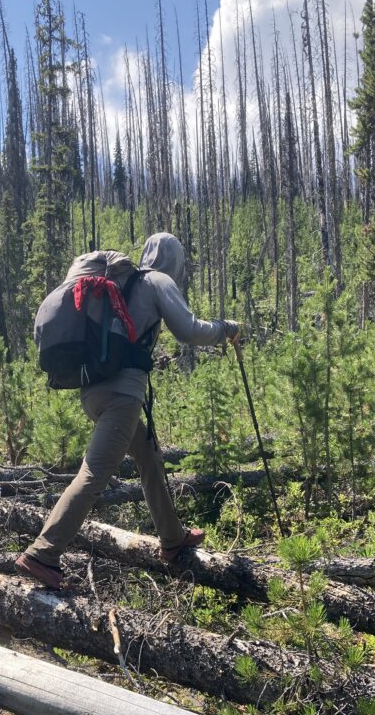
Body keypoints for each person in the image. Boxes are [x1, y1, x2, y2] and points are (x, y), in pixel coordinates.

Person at [15, 232, 240, 590]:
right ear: (174, 260)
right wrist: (226, 328)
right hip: (122, 396)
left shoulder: (123, 284)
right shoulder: (157, 280)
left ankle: (172, 537)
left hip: (94, 391)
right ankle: (43, 552)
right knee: (94, 474)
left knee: (149, 458)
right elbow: (188, 330)